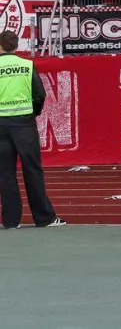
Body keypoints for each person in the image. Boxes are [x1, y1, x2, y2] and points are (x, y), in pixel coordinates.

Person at [0, 29, 64, 229]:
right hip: (24, 123)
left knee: (5, 173)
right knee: (33, 170)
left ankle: (11, 221)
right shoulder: (27, 65)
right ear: (16, 46)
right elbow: (39, 94)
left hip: (1, 124)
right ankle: (44, 218)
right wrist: (33, 112)